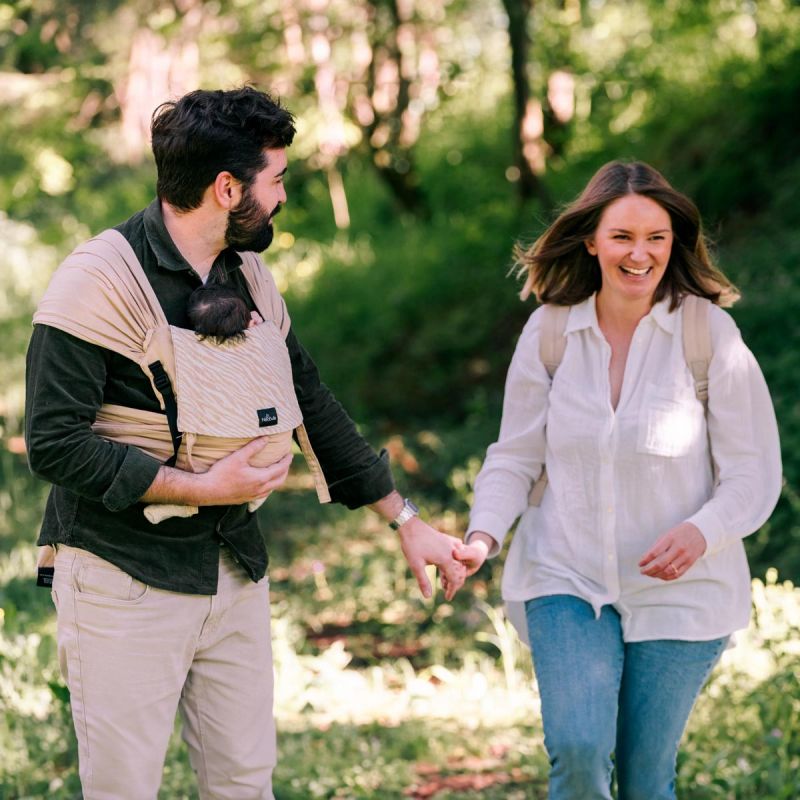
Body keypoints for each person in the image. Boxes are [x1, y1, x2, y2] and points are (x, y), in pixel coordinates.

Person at [25, 86, 466, 800]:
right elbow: (52, 442)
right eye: (278, 180)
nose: (285, 195)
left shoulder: (249, 277)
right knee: (122, 790)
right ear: (227, 188)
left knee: (243, 786)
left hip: (232, 569)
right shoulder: (97, 281)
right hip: (122, 576)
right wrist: (195, 488)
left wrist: (405, 520)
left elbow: (311, 406)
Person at [454, 161, 782, 799]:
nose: (641, 254)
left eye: (656, 238)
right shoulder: (551, 330)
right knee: (578, 752)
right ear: (592, 241)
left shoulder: (708, 334)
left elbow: (753, 473)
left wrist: (701, 531)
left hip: (682, 595)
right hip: (564, 576)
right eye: (623, 237)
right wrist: (483, 536)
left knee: (643, 778)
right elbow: (516, 455)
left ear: (674, 244)